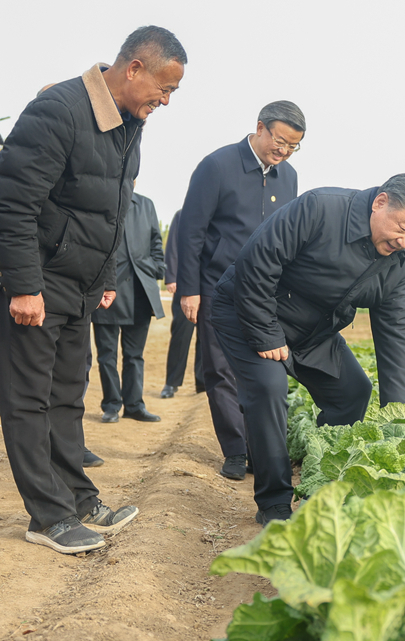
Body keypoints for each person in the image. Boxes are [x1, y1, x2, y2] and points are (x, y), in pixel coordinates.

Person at [0, 26, 187, 554]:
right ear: (134, 70)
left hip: (81, 288)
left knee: (66, 397)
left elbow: (115, 209)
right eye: (163, 89)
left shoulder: (130, 121)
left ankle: (80, 498)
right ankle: (47, 517)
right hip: (39, 283)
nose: (165, 101)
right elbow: (13, 205)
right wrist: (23, 286)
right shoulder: (58, 110)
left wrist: (104, 280)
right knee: (28, 401)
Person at [211, 173, 405, 525]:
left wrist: (398, 410)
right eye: (404, 227)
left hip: (314, 331)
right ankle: (274, 502)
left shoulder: (400, 261)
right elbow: (257, 261)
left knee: (353, 392)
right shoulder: (321, 208)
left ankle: (324, 481)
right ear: (380, 202)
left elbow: (395, 329)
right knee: (268, 388)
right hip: (249, 309)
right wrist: (268, 335)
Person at [177, 101, 305, 482]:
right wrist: (189, 289)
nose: (283, 151)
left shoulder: (290, 177)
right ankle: (235, 450)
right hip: (217, 288)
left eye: (293, 146)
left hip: (266, 295)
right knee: (220, 371)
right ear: (260, 127)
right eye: (280, 141)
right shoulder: (217, 166)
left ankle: (259, 448)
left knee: (264, 371)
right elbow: (191, 230)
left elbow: (290, 238)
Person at [92, 191, 166, 423]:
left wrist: (156, 266)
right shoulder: (99, 199)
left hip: (140, 291)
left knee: (135, 355)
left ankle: (134, 405)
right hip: (106, 290)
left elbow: (156, 240)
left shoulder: (146, 204)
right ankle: (112, 405)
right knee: (107, 355)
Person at [160, 209, 203, 399]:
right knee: (181, 334)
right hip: (186, 283)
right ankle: (171, 383)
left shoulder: (224, 212)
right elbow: (173, 245)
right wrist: (171, 276)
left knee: (208, 337)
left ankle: (203, 383)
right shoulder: (183, 214)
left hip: (212, 283)